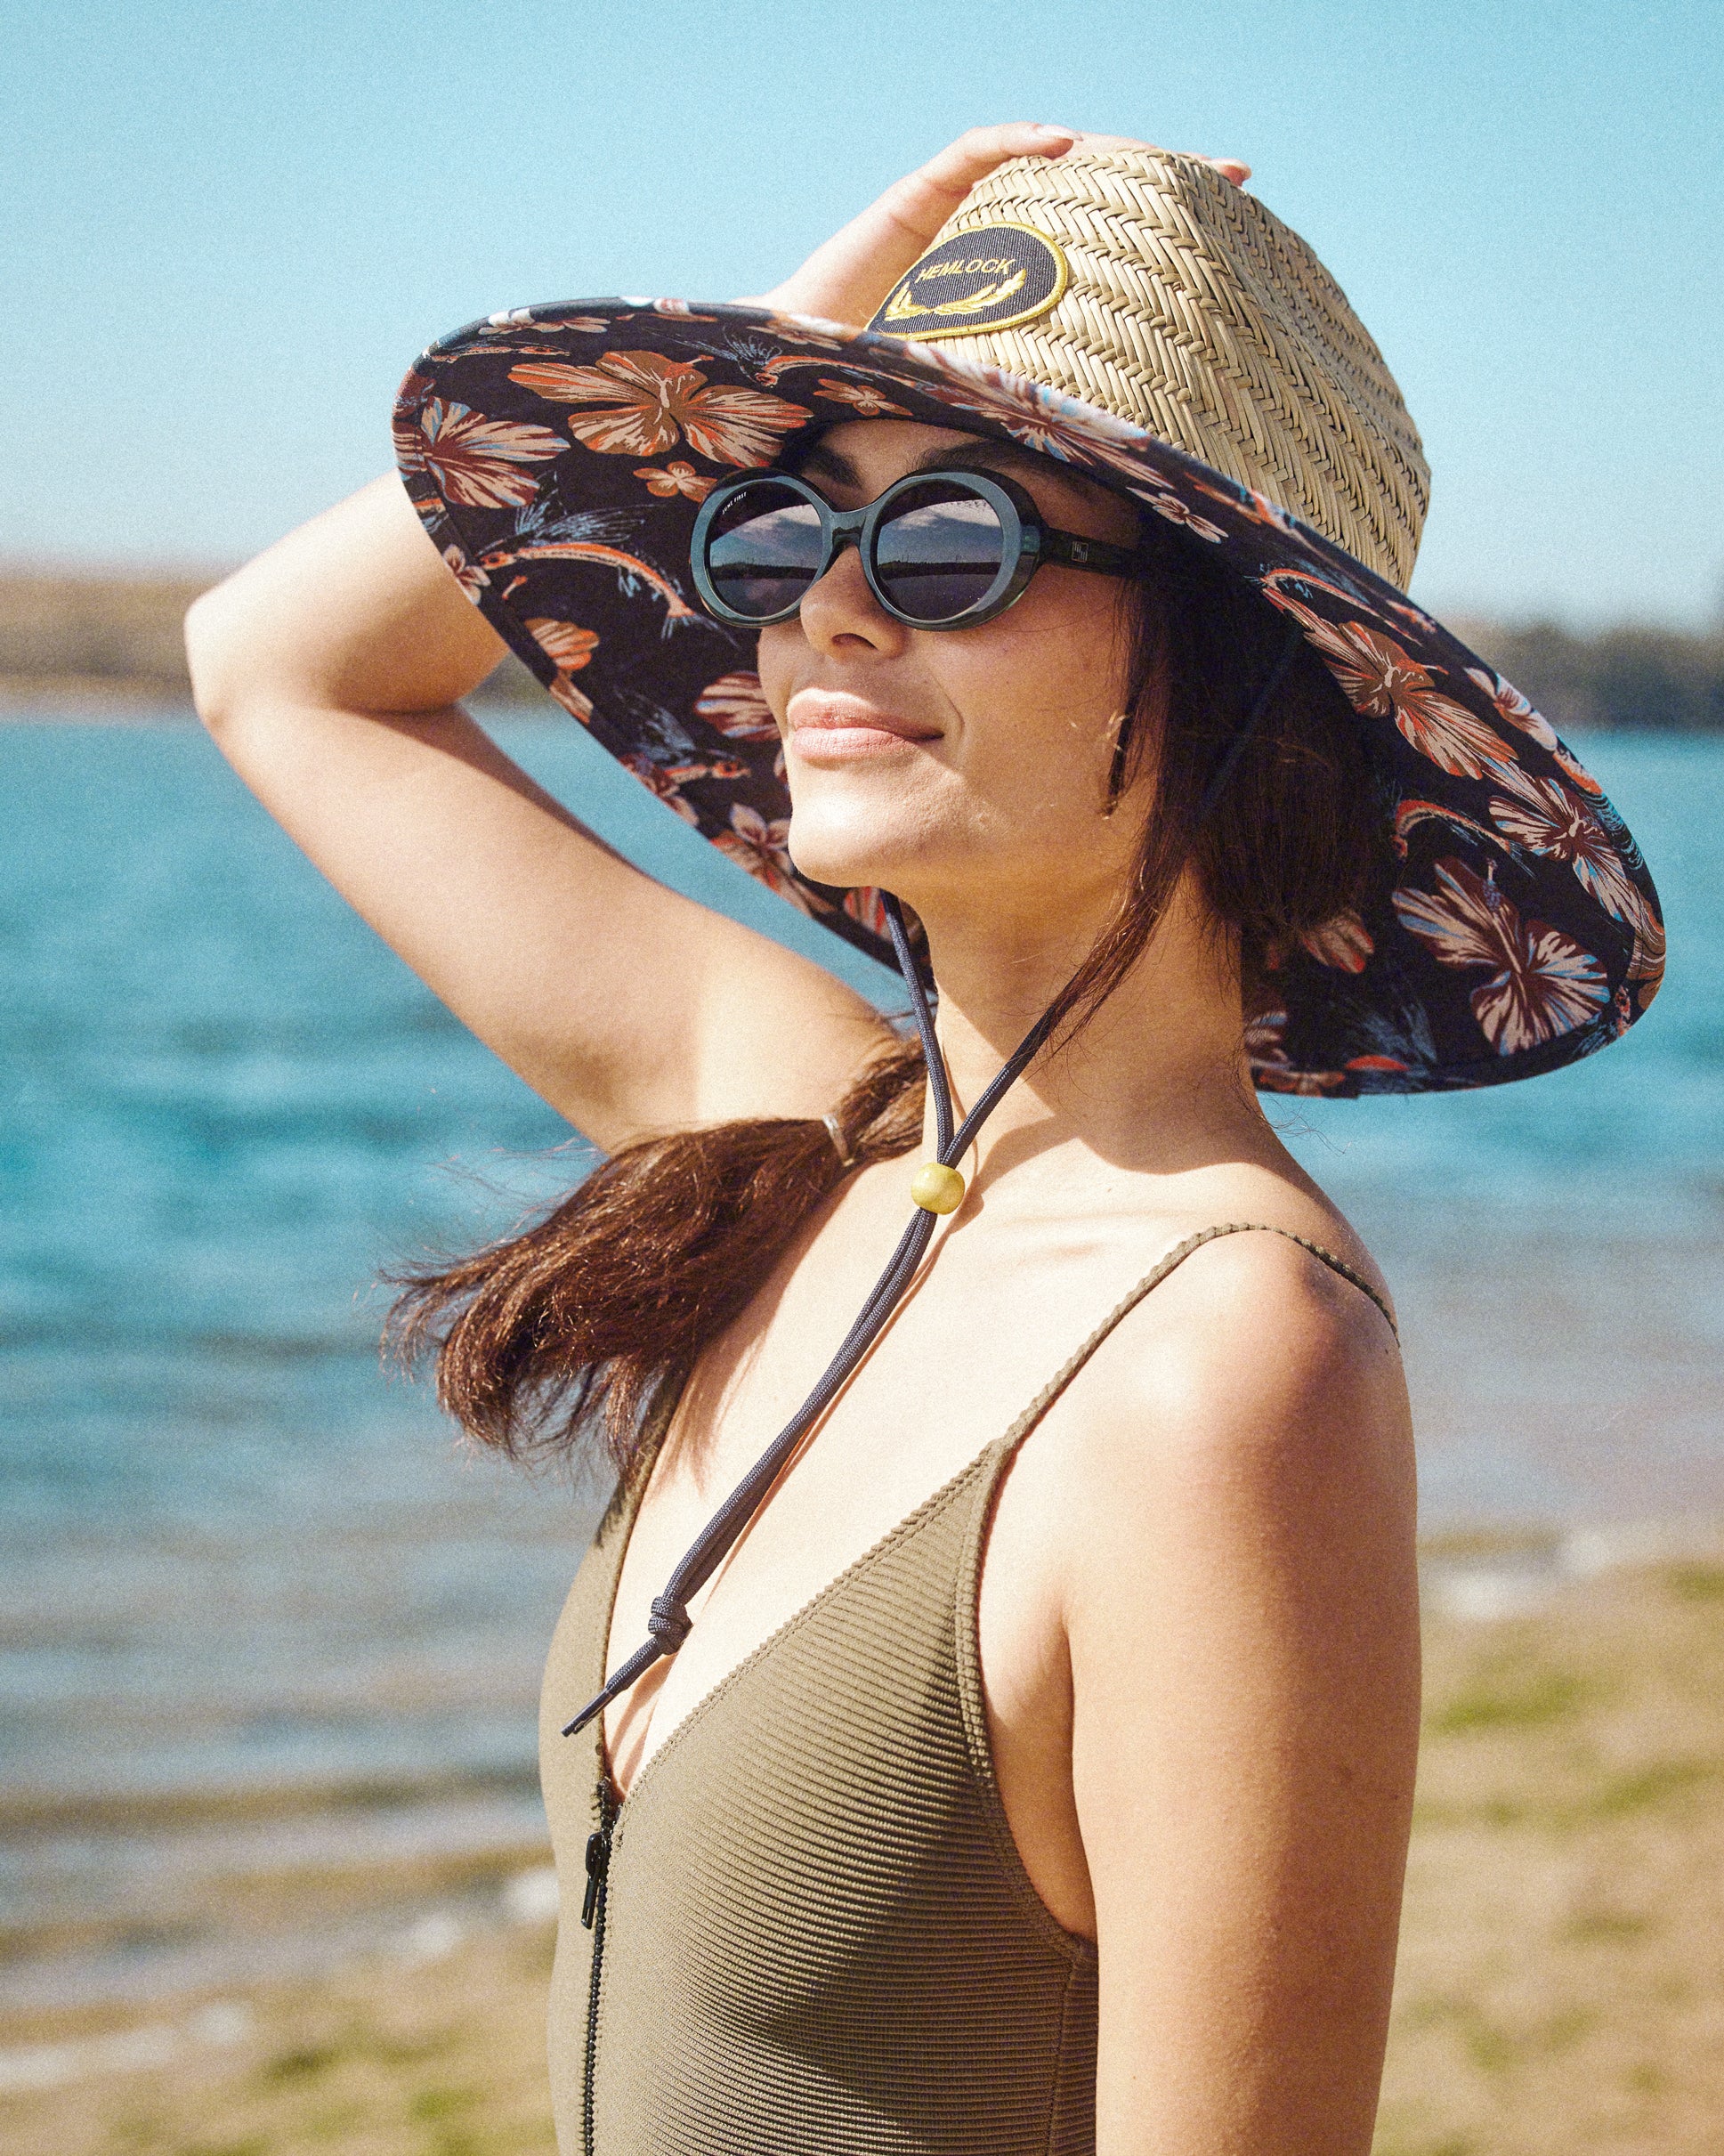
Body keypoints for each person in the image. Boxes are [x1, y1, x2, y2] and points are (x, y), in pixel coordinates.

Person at [186, 127, 1661, 2155]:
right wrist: (769, 350)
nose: (826, 620)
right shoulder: (806, 1137)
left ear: (1241, 666)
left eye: (954, 541)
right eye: (784, 540)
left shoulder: (1226, 1371)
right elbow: (275, 669)